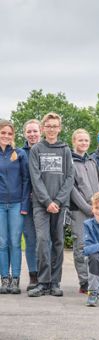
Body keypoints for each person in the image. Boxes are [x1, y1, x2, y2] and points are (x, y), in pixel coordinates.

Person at [28, 112, 74, 297]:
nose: (52, 129)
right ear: (43, 128)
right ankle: (43, 282)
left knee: (58, 242)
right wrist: (47, 201)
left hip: (60, 204)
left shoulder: (65, 150)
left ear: (59, 128)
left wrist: (58, 201)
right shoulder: (36, 150)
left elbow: (70, 177)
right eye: (48, 126)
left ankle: (55, 282)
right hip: (41, 205)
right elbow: (35, 178)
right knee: (42, 241)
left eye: (55, 126)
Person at [70, 129, 99, 293]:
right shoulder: (70, 162)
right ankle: (84, 282)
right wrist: (87, 207)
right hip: (80, 211)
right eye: (80, 140)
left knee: (97, 246)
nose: (83, 143)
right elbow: (72, 189)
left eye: (86, 140)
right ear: (74, 142)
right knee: (81, 246)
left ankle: (98, 280)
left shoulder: (92, 162)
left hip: (97, 212)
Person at [0, 120, 30, 294]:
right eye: (3, 133)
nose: (6, 136)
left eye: (9, 133)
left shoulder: (19, 154)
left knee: (15, 242)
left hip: (17, 204)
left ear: (13, 135)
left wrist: (24, 204)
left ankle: (16, 279)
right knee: (2, 243)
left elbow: (26, 180)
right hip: (0, 204)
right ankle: (5, 279)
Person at [22, 119, 41, 290]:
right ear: (24, 133)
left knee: (45, 240)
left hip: (44, 203)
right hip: (26, 203)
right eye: (29, 131)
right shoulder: (19, 153)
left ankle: (46, 275)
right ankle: (33, 276)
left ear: (40, 132)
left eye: (35, 131)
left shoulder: (47, 151)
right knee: (30, 239)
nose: (32, 134)